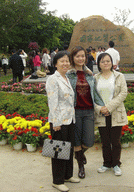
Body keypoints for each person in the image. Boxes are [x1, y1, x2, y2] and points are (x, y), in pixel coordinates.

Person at [67, 46, 104, 179]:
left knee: (89, 141)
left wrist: (103, 107)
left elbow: (95, 93)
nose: (81, 58)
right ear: (73, 58)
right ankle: (81, 166)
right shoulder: (68, 74)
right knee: (76, 141)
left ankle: (79, 155)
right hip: (75, 112)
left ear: (86, 57)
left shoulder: (90, 75)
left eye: (83, 56)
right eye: (77, 56)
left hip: (88, 111)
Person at [46, 51, 80, 192]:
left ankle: (67, 175)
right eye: (62, 61)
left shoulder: (65, 78)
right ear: (55, 64)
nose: (65, 63)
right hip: (59, 121)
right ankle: (57, 180)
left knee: (69, 148)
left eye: (67, 61)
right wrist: (56, 122)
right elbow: (52, 102)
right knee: (59, 151)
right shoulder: (53, 79)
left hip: (69, 119)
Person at [94, 52, 128, 176]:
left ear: (112, 62)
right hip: (101, 114)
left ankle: (116, 164)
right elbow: (92, 97)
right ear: (99, 64)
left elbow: (123, 93)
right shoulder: (95, 78)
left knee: (116, 141)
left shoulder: (119, 76)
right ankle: (106, 163)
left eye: (108, 61)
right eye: (102, 61)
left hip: (115, 112)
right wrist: (99, 108)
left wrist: (108, 107)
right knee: (105, 141)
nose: (106, 63)